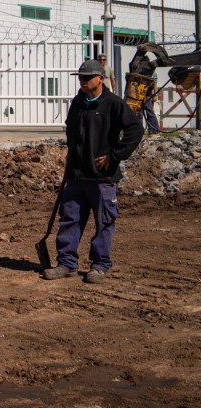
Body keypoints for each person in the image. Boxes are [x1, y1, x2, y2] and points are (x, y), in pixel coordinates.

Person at [43, 59, 143, 284]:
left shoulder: (114, 104)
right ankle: (67, 264)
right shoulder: (78, 103)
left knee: (104, 222)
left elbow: (135, 130)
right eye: (81, 78)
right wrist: (72, 154)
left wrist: (114, 156)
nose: (83, 82)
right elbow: (71, 128)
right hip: (77, 175)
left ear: (100, 78)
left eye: (87, 78)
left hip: (102, 177)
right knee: (70, 219)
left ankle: (99, 265)